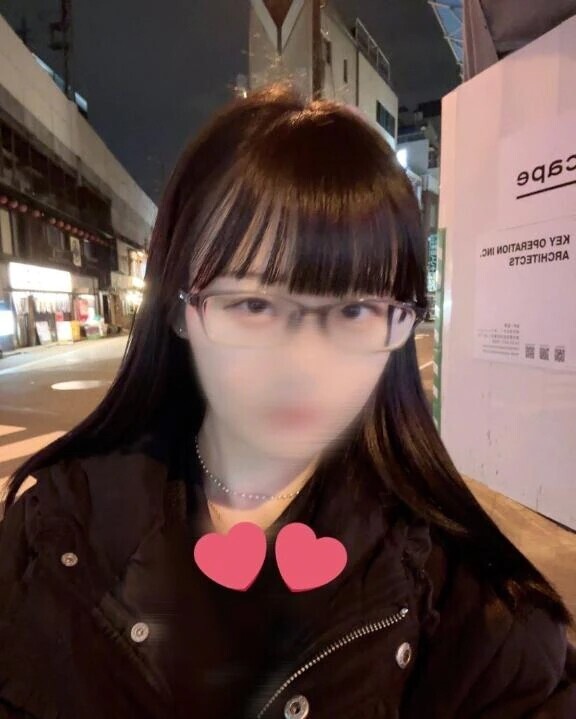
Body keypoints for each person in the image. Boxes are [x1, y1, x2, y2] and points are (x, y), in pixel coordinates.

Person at [0, 83, 575, 719]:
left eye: (354, 310)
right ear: (180, 310)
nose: (304, 364)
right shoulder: (54, 535)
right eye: (254, 304)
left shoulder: (461, 592)